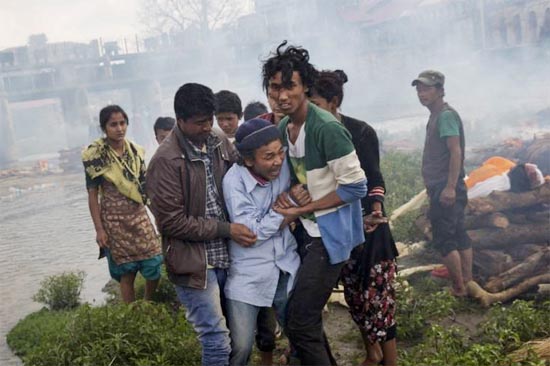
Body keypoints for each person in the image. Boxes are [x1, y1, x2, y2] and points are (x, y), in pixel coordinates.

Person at [262, 41, 368, 365]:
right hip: (307, 233)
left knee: (300, 320)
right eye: (275, 87)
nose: (282, 95)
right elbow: (294, 178)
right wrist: (289, 194)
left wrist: (304, 208)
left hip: (330, 235)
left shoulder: (326, 129)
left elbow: (356, 186)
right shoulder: (284, 128)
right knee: (298, 315)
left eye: (289, 86)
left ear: (305, 86)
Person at [146, 83, 257, 366]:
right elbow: (172, 223)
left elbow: (240, 175)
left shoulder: (218, 140)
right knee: (216, 341)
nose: (207, 127)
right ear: (180, 121)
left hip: (227, 256)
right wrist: (225, 229)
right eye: (199, 123)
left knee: (240, 340)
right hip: (194, 264)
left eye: (210, 119)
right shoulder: (165, 161)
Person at [310, 70, 399, 366]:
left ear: (334, 102)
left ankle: (388, 360)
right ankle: (371, 354)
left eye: (317, 105)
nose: (312, 111)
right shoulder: (310, 136)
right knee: (356, 300)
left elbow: (374, 178)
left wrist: (375, 207)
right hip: (340, 231)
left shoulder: (360, 132)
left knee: (379, 304)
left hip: (371, 231)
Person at [223, 118, 302, 366]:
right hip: (249, 274)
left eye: (280, 153)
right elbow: (250, 234)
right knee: (241, 346)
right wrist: (286, 206)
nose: (278, 161)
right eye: (268, 156)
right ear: (248, 160)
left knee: (302, 334)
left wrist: (287, 206)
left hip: (285, 264)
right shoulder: (234, 182)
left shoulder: (284, 167)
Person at [82, 105, 162, 304]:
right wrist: (99, 230)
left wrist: (158, 217)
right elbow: (93, 196)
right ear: (104, 128)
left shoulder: (135, 152)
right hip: (114, 222)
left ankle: (147, 303)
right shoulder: (95, 156)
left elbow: (144, 189)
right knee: (127, 273)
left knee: (154, 266)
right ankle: (132, 313)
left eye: (122, 123)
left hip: (138, 215)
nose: (119, 128)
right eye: (113, 124)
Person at [412, 70, 472, 297]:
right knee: (458, 233)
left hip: (445, 186)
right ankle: (467, 281)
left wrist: (449, 186)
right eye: (419, 89)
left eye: (426, 89)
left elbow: (455, 151)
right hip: (446, 185)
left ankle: (459, 288)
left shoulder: (445, 115)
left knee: (445, 239)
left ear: (440, 90)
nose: (421, 94)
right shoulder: (437, 114)